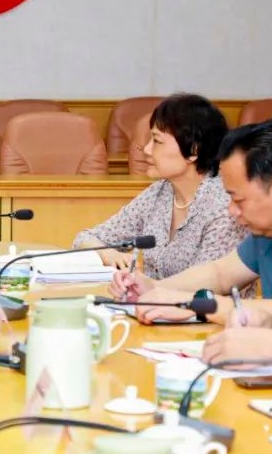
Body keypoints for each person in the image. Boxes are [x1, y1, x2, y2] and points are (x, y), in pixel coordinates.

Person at [110, 120, 272, 327]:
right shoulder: (263, 235)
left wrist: (196, 305)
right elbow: (221, 274)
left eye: (238, 200)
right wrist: (153, 288)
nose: (231, 210)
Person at [73, 94, 246, 276]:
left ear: (193, 150)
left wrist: (147, 287)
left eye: (156, 141)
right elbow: (85, 238)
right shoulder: (160, 192)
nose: (146, 149)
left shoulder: (224, 206)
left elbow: (207, 285)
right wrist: (109, 254)